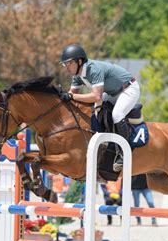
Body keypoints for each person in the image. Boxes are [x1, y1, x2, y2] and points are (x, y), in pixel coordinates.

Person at [59, 44, 140, 172]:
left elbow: (96, 97)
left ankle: (124, 152)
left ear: (79, 62)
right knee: (98, 113)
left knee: (117, 115)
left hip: (129, 89)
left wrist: (71, 96)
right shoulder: (77, 76)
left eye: (68, 63)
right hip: (113, 93)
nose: (66, 67)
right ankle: (106, 148)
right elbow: (72, 96)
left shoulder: (93, 69)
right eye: (65, 64)